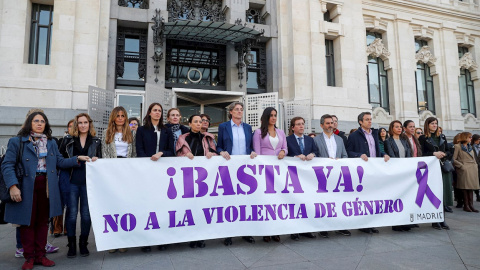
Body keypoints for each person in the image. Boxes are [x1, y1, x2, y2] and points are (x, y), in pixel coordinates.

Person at [2, 111, 90, 270]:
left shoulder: (50, 143)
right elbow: (7, 165)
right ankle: (29, 257)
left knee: (43, 221)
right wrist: (13, 186)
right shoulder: (17, 141)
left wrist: (77, 159)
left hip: (47, 185)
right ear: (29, 123)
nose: (39, 123)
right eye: (36, 120)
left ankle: (41, 255)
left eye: (43, 121)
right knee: (27, 222)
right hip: (25, 185)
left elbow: (60, 162)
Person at [59, 113, 101, 258]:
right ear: (76, 124)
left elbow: (101, 161)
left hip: (88, 183)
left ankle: (83, 244)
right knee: (71, 215)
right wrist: (75, 159)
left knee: (86, 215)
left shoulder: (96, 141)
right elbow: (60, 161)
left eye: (85, 122)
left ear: (90, 124)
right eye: (80, 123)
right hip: (71, 182)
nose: (83, 125)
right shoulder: (68, 140)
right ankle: (71, 244)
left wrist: (97, 159)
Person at [216, 101, 256, 246]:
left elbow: (250, 146)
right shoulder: (223, 127)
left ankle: (246, 232)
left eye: (241, 109)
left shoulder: (248, 127)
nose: (240, 111)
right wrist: (221, 151)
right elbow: (219, 145)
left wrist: (252, 152)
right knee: (229, 201)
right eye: (237, 109)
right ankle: (229, 233)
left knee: (245, 201)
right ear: (231, 112)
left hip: (245, 169)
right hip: (229, 167)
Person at [176, 114, 218, 248]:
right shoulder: (183, 138)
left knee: (202, 207)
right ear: (190, 123)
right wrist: (184, 155)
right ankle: (191, 236)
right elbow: (177, 154)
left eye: (201, 122)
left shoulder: (208, 138)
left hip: (203, 178)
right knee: (190, 207)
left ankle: (201, 237)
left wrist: (211, 154)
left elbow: (214, 153)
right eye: (196, 121)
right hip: (187, 177)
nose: (199, 124)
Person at [346, 112, 389, 234]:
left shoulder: (375, 134)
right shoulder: (354, 136)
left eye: (370, 119)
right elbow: (349, 152)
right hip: (362, 172)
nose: (370, 121)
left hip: (374, 170)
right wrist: (359, 155)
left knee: (373, 198)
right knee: (364, 198)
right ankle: (363, 224)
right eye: (367, 119)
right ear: (360, 122)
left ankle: (371, 223)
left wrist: (384, 155)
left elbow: (376, 151)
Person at [252, 107, 289, 242]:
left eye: (275, 115)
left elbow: (285, 147)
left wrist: (283, 152)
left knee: (278, 201)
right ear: (266, 117)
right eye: (271, 115)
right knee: (265, 201)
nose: (273, 118)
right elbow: (257, 152)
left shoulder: (281, 132)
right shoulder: (257, 133)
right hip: (265, 171)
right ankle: (266, 231)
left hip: (279, 170)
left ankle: (276, 230)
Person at [102, 106, 136, 252]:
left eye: (123, 115)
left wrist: (129, 169)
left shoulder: (131, 133)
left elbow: (133, 154)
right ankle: (112, 241)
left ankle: (123, 240)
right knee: (112, 206)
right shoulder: (106, 133)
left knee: (125, 206)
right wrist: (111, 170)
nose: (121, 118)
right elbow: (104, 153)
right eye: (118, 115)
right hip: (112, 171)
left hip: (126, 172)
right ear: (114, 118)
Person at [313, 114, 351, 237]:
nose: (331, 125)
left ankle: (340, 226)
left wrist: (340, 160)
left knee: (338, 201)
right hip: (322, 176)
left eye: (332, 123)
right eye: (328, 123)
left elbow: (345, 155)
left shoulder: (340, 139)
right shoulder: (315, 140)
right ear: (321, 125)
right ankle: (323, 228)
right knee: (324, 202)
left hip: (338, 175)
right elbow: (315, 156)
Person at [286, 116, 319, 241]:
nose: (301, 126)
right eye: (298, 124)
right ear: (293, 127)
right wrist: (294, 156)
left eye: (302, 124)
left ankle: (307, 230)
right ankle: (294, 231)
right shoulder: (287, 139)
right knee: (294, 203)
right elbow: (285, 154)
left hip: (307, 177)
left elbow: (316, 151)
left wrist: (313, 154)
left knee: (307, 202)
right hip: (293, 176)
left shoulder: (309, 140)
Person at [418, 117, 451, 230]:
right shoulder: (423, 138)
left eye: (436, 123)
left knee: (443, 194)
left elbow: (449, 151)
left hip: (443, 167)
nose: (434, 125)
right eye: (432, 123)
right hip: (431, 169)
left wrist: (443, 154)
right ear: (427, 125)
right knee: (434, 194)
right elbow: (421, 153)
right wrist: (433, 153)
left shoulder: (442, 136)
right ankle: (435, 220)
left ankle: (442, 219)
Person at [384, 120, 413, 231]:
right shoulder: (388, 141)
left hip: (405, 172)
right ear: (392, 129)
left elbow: (409, 154)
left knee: (405, 197)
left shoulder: (404, 140)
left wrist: (408, 166)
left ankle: (405, 222)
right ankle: (396, 224)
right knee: (396, 198)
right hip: (396, 172)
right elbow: (391, 155)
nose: (399, 128)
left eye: (400, 127)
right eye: (397, 127)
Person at [452, 132, 480, 213]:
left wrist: (475, 165)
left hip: (472, 169)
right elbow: (454, 159)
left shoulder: (470, 146)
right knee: (465, 188)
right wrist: (462, 166)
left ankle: (471, 205)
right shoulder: (457, 146)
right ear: (465, 137)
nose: (471, 138)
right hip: (464, 169)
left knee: (471, 187)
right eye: (469, 137)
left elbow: (474, 157)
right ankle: (466, 205)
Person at [472, 134, 480, 202]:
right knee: (476, 181)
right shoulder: (471, 147)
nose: (479, 141)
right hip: (474, 166)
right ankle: (477, 195)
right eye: (478, 139)